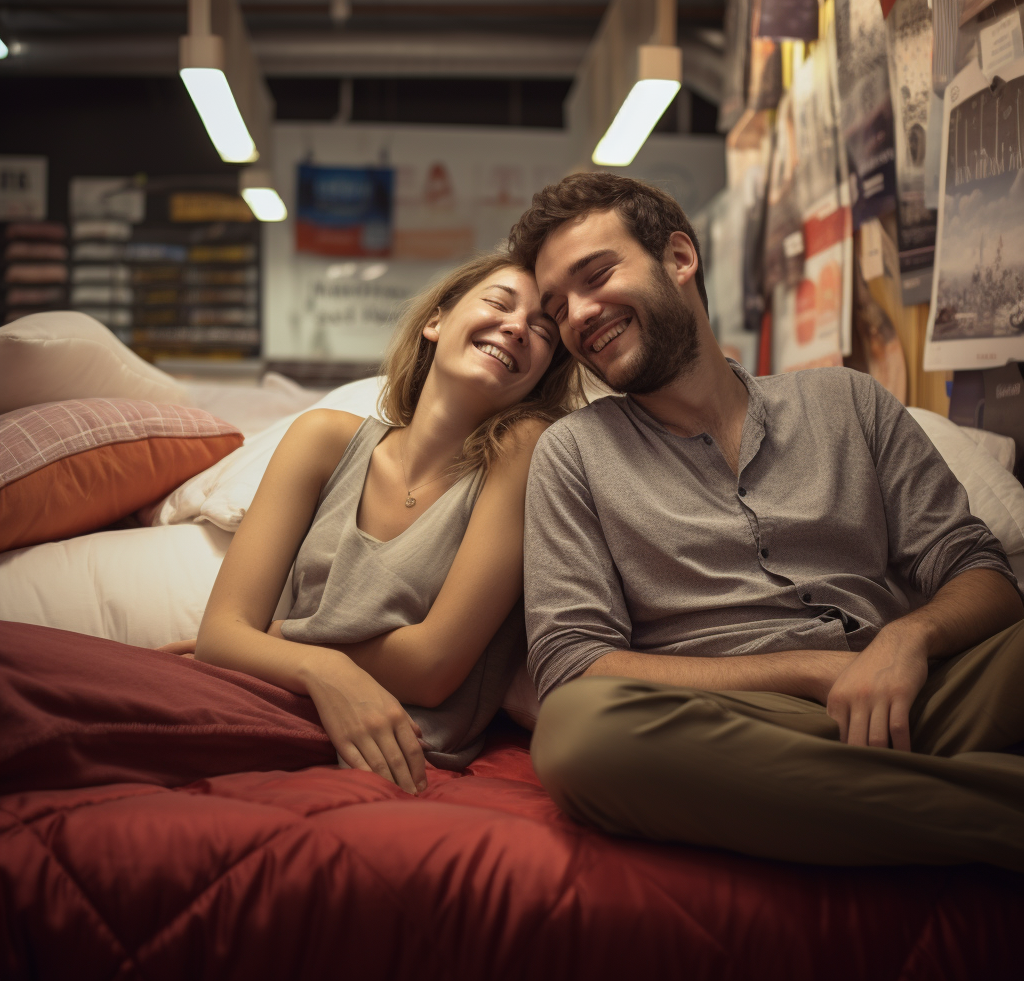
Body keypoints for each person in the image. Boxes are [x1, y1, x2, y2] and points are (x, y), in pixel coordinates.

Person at [506, 172, 1024, 870]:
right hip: (738, 726)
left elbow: (981, 574)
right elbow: (574, 666)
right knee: (578, 737)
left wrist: (909, 639)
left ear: (679, 259)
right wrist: (813, 671)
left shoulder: (847, 400)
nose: (578, 315)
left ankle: (863, 803)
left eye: (595, 276)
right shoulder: (572, 454)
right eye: (559, 306)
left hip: (922, 689)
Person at [191, 252, 579, 795]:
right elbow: (219, 638)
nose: (517, 328)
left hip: (400, 752)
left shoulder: (526, 448)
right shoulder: (322, 439)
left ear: (543, 372)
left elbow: (432, 668)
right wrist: (323, 671)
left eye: (543, 330)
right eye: (498, 302)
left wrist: (276, 642)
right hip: (269, 706)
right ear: (436, 321)